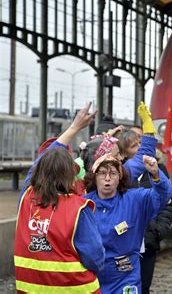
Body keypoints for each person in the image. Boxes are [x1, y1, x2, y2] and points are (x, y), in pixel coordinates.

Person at [14, 103, 105, 293]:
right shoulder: (79, 207)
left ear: (39, 171)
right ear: (68, 174)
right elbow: (95, 257)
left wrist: (73, 128)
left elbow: (36, 166)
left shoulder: (27, 198)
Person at [83, 152, 172, 293]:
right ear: (95, 177)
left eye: (113, 173)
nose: (107, 178)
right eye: (102, 173)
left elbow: (162, 197)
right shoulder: (83, 204)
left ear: (120, 177)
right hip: (91, 277)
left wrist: (156, 175)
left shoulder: (135, 199)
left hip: (125, 276)